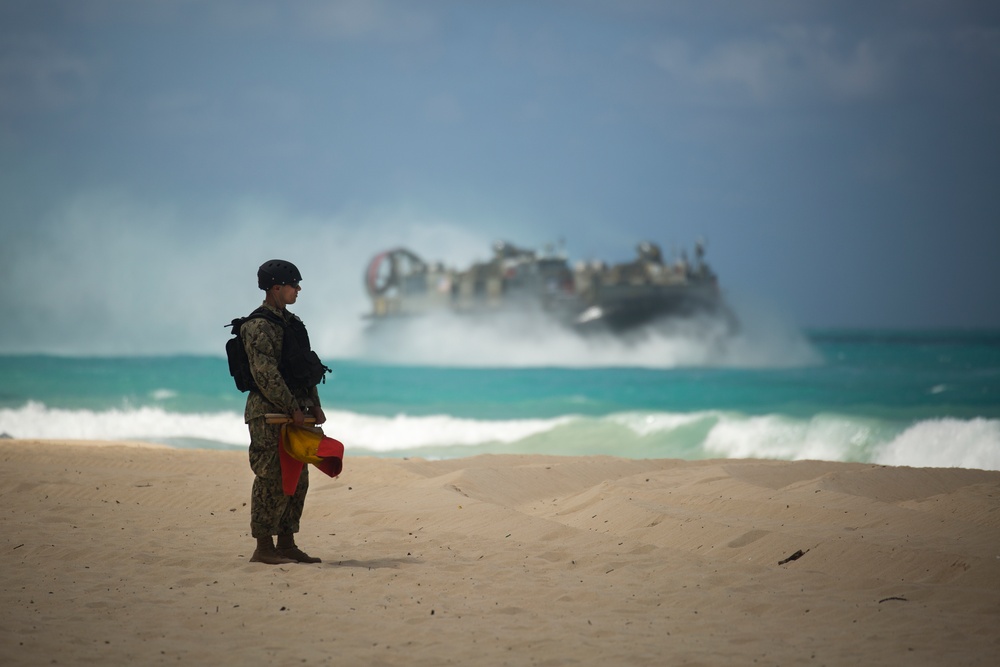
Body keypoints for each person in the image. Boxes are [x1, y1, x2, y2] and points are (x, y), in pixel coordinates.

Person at [243, 259, 327, 565]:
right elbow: (265, 374)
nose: (298, 290)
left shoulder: (293, 324)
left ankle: (287, 543)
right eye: (294, 285)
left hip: (295, 414)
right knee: (271, 477)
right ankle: (264, 547)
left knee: (297, 478)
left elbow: (304, 369)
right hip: (267, 414)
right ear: (276, 287)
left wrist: (313, 404)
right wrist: (292, 407)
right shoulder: (257, 326)